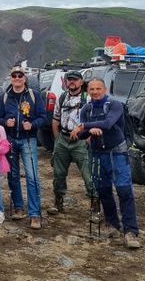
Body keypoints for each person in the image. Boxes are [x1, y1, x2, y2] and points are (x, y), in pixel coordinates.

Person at [76, 78, 141, 249]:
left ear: (105, 89)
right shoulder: (86, 109)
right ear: (88, 91)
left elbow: (108, 123)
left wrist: (84, 125)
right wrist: (88, 130)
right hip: (97, 154)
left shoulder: (114, 105)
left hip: (117, 153)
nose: (95, 92)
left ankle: (131, 232)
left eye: (98, 88)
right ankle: (113, 224)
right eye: (92, 89)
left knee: (124, 190)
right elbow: (80, 135)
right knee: (103, 191)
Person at [0, 66, 46, 229]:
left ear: (25, 78)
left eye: (20, 75)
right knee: (13, 175)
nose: (17, 78)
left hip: (28, 140)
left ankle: (35, 214)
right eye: (14, 75)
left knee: (32, 176)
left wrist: (32, 124)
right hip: (10, 140)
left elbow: (43, 117)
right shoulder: (4, 97)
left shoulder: (34, 95)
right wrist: (5, 122)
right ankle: (18, 207)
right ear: (10, 78)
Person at [48, 70, 95, 215]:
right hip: (63, 139)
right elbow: (55, 119)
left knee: (88, 175)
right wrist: (57, 140)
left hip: (81, 140)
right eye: (69, 79)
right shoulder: (62, 97)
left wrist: (88, 139)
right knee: (58, 174)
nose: (72, 82)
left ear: (81, 82)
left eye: (75, 79)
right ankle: (58, 203)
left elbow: (94, 121)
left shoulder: (88, 99)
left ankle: (96, 208)